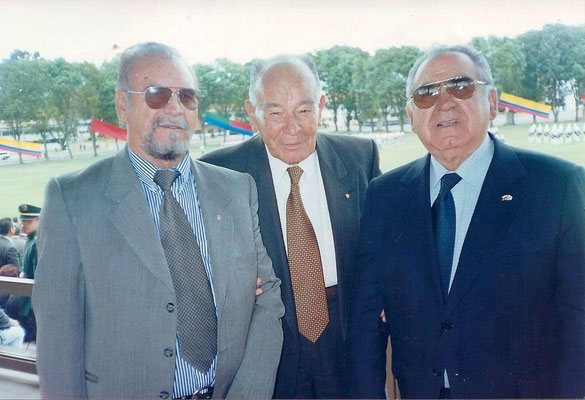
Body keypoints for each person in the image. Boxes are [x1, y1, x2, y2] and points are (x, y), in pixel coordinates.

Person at [32, 42, 284, 400]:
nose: (174, 108)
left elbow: (267, 298)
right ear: (123, 105)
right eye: (156, 94)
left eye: (187, 96)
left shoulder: (236, 189)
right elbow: (58, 344)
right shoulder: (72, 199)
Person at [346, 44, 585, 399]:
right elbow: (366, 327)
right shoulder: (384, 195)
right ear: (411, 115)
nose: (444, 102)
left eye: (461, 86)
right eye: (426, 93)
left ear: (491, 102)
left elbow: (578, 324)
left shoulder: (557, 187)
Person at [201, 54, 381, 399]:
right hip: (265, 340)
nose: (292, 126)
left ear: (321, 106)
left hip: (347, 335)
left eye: (303, 109)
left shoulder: (359, 157)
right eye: (275, 113)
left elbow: (387, 241)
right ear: (252, 112)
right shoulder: (219, 172)